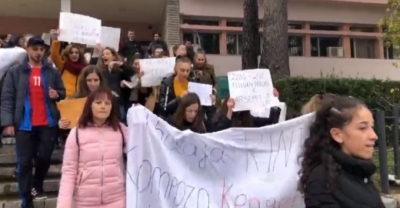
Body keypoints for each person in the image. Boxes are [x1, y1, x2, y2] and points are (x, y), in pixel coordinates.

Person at [1, 37, 65, 208]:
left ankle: (37, 184)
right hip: (24, 124)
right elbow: (7, 98)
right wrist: (7, 123)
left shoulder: (52, 71)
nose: (38, 53)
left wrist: (57, 94)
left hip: (48, 123)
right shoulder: (15, 72)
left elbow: (62, 91)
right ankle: (26, 200)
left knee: (44, 157)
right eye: (35, 49)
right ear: (27, 50)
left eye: (41, 49)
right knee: (25, 162)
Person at [299, 96, 384, 208]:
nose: (374, 136)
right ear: (337, 135)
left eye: (372, 127)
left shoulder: (359, 173)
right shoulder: (323, 182)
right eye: (362, 128)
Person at [57, 88, 127, 208]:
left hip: (117, 200)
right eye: (98, 103)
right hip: (84, 202)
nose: (103, 106)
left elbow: (140, 152)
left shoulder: (121, 130)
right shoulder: (76, 133)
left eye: (107, 103)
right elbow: (69, 171)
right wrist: (64, 204)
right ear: (90, 106)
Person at [58, 65, 108, 129]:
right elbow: (68, 122)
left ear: (100, 81)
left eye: (96, 80)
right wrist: (62, 124)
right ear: (84, 81)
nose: (93, 84)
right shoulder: (75, 99)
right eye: (89, 80)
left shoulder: (108, 99)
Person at [50, 29, 87, 98]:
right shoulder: (63, 65)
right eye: (71, 52)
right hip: (65, 100)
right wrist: (56, 40)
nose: (74, 54)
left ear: (80, 55)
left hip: (79, 100)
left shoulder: (85, 68)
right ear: (67, 54)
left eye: (76, 52)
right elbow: (54, 55)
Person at [211, 98, 281, 132]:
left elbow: (270, 121)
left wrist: (273, 99)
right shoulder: (219, 116)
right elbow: (221, 130)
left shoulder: (247, 118)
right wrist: (230, 111)